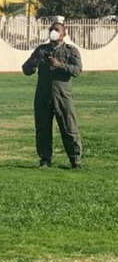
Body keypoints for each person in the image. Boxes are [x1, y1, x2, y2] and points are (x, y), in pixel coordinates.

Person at [22, 21, 83, 168]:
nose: (53, 32)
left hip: (63, 95)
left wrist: (59, 64)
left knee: (69, 127)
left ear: (63, 34)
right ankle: (45, 159)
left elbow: (77, 70)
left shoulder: (70, 50)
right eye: (51, 30)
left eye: (56, 30)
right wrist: (34, 63)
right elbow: (26, 69)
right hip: (43, 94)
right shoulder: (41, 50)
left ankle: (75, 161)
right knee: (42, 128)